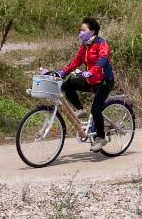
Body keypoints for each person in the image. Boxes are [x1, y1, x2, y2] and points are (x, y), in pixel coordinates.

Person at [45, 17, 115, 151]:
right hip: (91, 80)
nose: (80, 33)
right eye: (80, 30)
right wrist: (61, 73)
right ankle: (80, 109)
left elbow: (103, 60)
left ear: (92, 31)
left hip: (104, 81)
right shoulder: (85, 46)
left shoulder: (101, 44)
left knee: (96, 109)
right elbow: (75, 62)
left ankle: (101, 138)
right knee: (67, 84)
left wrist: (92, 71)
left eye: (83, 30)